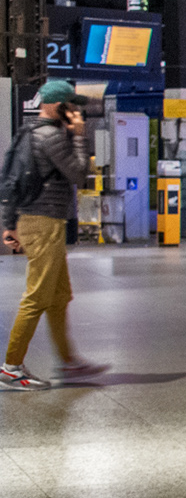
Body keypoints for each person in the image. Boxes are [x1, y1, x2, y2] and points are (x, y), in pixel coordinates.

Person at [1, 81, 110, 390]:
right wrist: (79, 137)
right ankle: (11, 366)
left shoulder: (28, 132)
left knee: (59, 296)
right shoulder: (51, 137)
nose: (74, 110)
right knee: (37, 297)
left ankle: (68, 361)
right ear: (56, 106)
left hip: (37, 220)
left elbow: (11, 181)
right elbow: (78, 175)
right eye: (70, 104)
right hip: (44, 222)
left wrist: (10, 224)